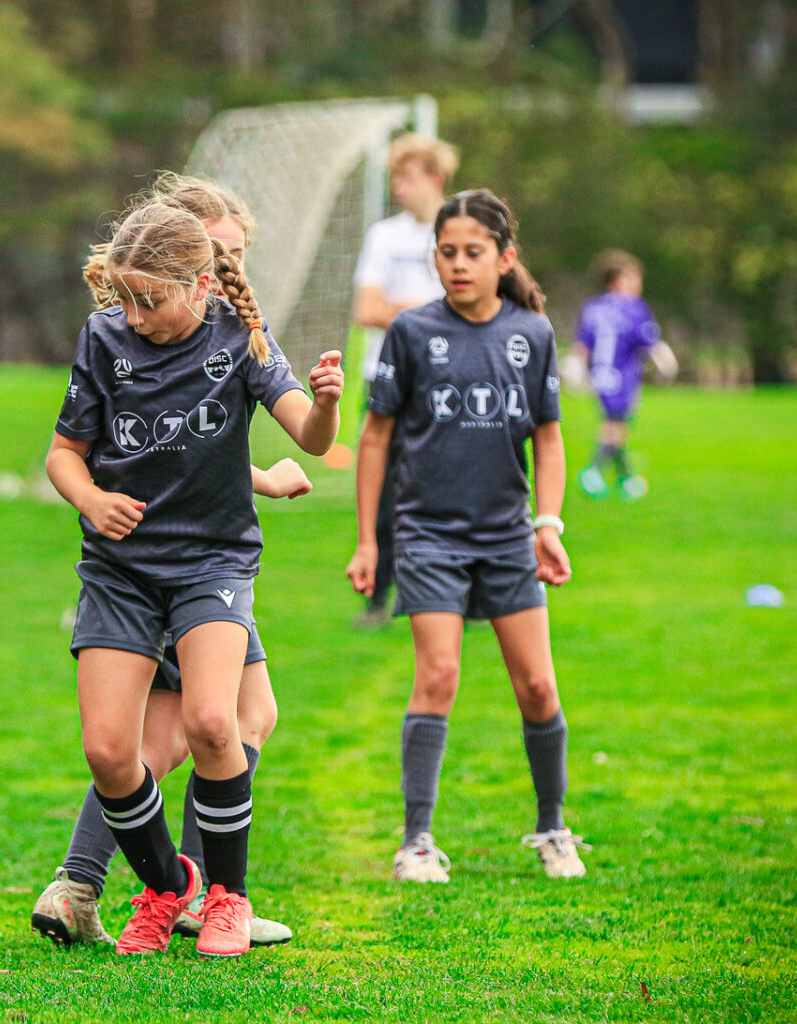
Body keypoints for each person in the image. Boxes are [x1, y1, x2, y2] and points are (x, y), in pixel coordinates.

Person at [50, 194, 343, 958]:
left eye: (149, 300)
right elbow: (65, 454)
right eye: (125, 299)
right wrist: (90, 497)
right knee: (112, 753)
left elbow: (308, 435)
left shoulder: (240, 340)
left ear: (200, 286)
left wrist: (329, 407)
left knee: (219, 723)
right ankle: (163, 889)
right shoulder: (105, 338)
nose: (135, 315)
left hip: (210, 564)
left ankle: (227, 899)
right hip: (119, 570)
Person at [346, 188, 589, 885]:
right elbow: (374, 439)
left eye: (472, 253)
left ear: (503, 258)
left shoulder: (532, 335)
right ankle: (416, 842)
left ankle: (553, 827)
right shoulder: (412, 332)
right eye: (446, 253)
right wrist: (370, 542)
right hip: (427, 535)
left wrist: (548, 524)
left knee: (539, 686)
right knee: (440, 674)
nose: (457, 265)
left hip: (508, 537)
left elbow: (549, 439)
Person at [350, 134, 457, 625]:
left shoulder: (461, 233)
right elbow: (367, 309)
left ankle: (459, 594)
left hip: (448, 381)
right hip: (388, 379)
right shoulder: (384, 236)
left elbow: (481, 307)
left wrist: (403, 311)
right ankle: (379, 598)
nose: (398, 187)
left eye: (406, 177)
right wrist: (435, 311)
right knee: (387, 493)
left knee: (452, 490)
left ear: (434, 178)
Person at [575, 249, 676, 501]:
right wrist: (666, 361)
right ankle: (594, 471)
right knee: (615, 427)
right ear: (619, 279)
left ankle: (626, 480)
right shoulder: (633, 307)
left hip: (600, 375)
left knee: (614, 425)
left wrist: (576, 371)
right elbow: (649, 340)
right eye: (634, 278)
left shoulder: (594, 307)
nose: (638, 284)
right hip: (622, 375)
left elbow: (582, 346)